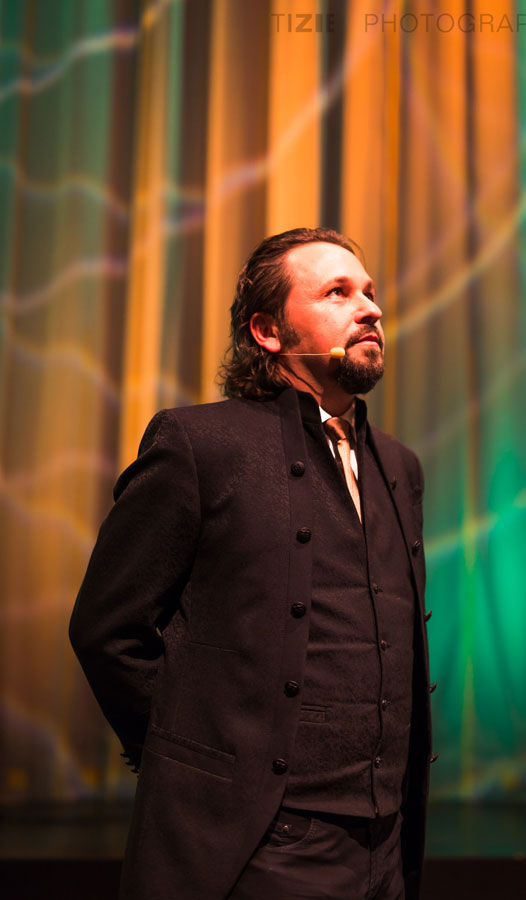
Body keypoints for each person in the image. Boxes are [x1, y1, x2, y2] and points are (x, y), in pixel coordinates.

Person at [69, 227, 435, 900]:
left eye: (370, 292)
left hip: (384, 847)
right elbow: (108, 630)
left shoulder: (399, 466)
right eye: (337, 292)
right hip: (260, 846)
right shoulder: (200, 444)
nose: (371, 309)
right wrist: (198, 759)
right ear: (268, 332)